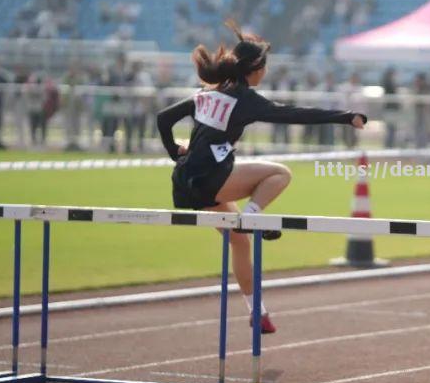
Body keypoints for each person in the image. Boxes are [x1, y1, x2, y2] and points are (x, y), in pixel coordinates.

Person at [157, 22, 367, 334]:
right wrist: (345, 117)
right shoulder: (246, 99)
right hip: (212, 180)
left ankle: (259, 313)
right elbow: (296, 114)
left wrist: (176, 153)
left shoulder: (207, 93)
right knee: (280, 174)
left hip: (185, 185)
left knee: (239, 243)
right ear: (256, 69)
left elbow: (164, 118)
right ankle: (252, 218)